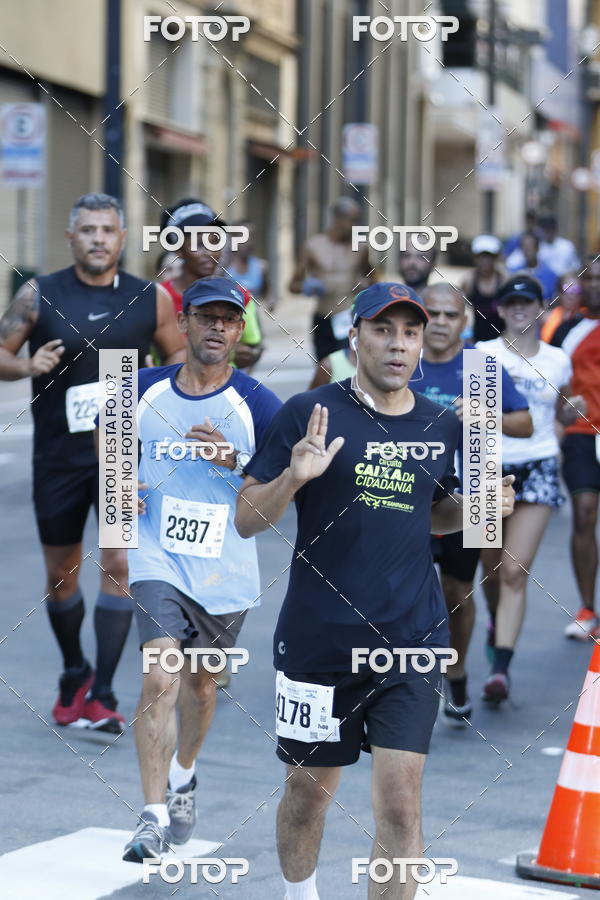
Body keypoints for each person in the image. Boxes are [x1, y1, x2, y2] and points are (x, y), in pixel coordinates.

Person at [235, 283, 515, 900]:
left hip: (411, 636)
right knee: (308, 795)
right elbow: (247, 517)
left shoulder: (441, 423)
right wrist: (292, 478)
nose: (398, 345)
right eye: (383, 330)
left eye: (410, 332)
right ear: (355, 337)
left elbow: (433, 513)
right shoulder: (309, 413)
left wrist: (480, 509)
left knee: (402, 805)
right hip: (319, 638)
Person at [0, 192, 185, 732]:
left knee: (120, 567)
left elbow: (177, 352)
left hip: (122, 448)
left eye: (107, 230)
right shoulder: (40, 294)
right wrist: (26, 365)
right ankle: (73, 671)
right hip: (58, 454)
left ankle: (102, 691)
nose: (98, 239)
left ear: (122, 238)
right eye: (88, 230)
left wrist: (157, 390)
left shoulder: (149, 297)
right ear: (71, 238)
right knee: (61, 574)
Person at [117, 276, 281, 861]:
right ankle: (151, 816)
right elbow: (108, 446)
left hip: (223, 567)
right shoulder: (139, 388)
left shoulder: (259, 404)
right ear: (182, 323)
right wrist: (120, 489)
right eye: (206, 316)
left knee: (201, 686)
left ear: (239, 331)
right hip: (155, 554)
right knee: (160, 675)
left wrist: (235, 460)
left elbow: (281, 485)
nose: (217, 327)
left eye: (229, 319)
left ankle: (183, 774)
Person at [414, 282, 531, 725]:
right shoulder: (402, 361)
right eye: (433, 313)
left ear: (465, 321)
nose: (441, 322)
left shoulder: (482, 367)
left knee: (457, 595)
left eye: (451, 315)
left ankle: (457, 673)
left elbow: (525, 423)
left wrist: (487, 415)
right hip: (407, 495)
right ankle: (407, 684)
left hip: (472, 493)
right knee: (404, 590)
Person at [477, 274, 576, 703]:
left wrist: (569, 416)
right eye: (511, 301)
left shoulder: (558, 359)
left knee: (514, 571)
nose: (520, 307)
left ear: (541, 307)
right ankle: (496, 620)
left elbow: (563, 408)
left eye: (528, 301)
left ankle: (500, 670)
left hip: (538, 465)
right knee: (490, 571)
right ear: (500, 309)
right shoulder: (482, 354)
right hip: (487, 467)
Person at [552, 257, 600, 639]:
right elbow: (548, 381)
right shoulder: (567, 329)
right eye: (591, 279)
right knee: (584, 514)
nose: (596, 285)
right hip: (581, 433)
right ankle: (587, 609)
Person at [160, 199, 263, 370]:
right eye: (199, 244)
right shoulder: (157, 298)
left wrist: (245, 354)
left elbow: (255, 346)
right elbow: (125, 357)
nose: (209, 252)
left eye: (214, 242)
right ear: (178, 249)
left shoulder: (239, 295)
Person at [289, 197, 373, 360]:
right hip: (323, 317)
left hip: (348, 317)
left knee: (347, 365)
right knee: (324, 366)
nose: (355, 226)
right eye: (352, 220)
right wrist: (307, 287)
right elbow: (293, 285)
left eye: (357, 221)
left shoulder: (361, 248)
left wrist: (365, 285)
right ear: (337, 218)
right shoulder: (313, 246)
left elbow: (373, 279)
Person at [224, 218, 277, 311]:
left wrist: (270, 302)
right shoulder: (224, 267)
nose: (249, 242)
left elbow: (268, 293)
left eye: (252, 236)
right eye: (243, 236)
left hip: (252, 319)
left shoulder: (260, 266)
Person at [461, 235, 505, 342]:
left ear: (495, 258)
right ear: (475, 258)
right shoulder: (468, 281)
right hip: (475, 340)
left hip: (500, 341)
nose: (485, 260)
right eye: (481, 256)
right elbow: (463, 312)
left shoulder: (504, 280)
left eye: (489, 256)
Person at [506, 232, 557, 302]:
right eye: (523, 246)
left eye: (530, 246)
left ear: (537, 248)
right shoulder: (515, 273)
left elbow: (549, 296)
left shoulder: (549, 274)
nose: (526, 250)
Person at [540, 274, 582, 344]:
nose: (571, 294)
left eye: (577, 289)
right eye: (567, 289)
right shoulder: (546, 318)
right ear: (559, 292)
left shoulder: (587, 319)